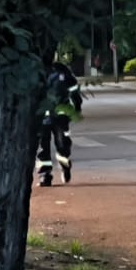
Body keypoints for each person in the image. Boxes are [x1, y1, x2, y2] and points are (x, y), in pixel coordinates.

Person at [37, 58, 84, 187]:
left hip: (57, 116)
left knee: (60, 144)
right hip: (45, 117)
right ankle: (46, 174)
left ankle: (63, 166)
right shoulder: (37, 71)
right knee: (45, 147)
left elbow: (74, 91)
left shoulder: (61, 71)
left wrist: (77, 108)